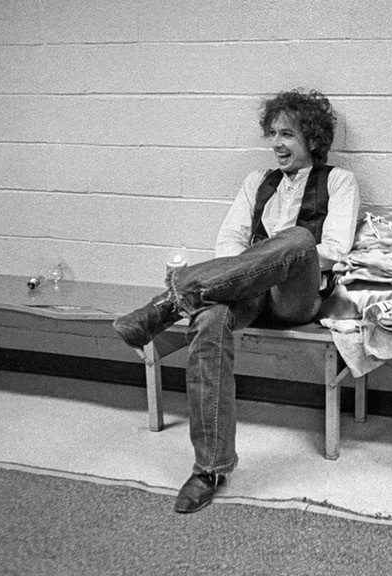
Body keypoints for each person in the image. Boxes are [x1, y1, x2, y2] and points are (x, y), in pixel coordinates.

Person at [113, 89, 360, 514]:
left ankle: (169, 303)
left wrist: (272, 260)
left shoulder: (338, 181)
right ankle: (209, 469)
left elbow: (334, 249)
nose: (277, 143)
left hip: (298, 297)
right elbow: (228, 241)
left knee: (299, 239)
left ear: (313, 139)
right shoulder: (256, 182)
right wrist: (249, 272)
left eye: (288, 134)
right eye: (273, 134)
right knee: (209, 320)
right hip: (247, 289)